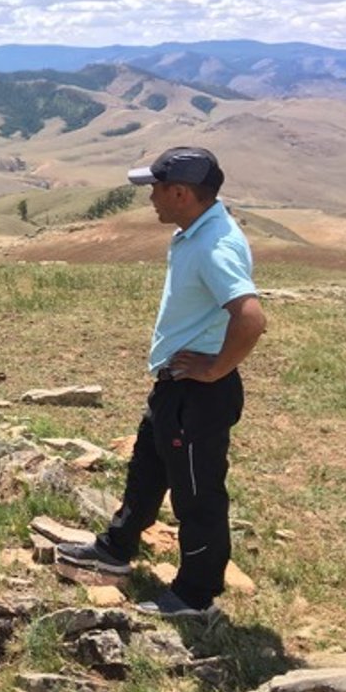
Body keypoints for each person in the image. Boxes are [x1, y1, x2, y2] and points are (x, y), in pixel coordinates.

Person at [55, 147, 266, 618]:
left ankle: (195, 594)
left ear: (180, 193)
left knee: (197, 494)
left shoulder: (214, 246)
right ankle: (116, 548)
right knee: (148, 468)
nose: (150, 197)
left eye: (155, 188)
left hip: (199, 393)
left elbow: (250, 317)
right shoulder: (196, 232)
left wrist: (215, 369)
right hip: (177, 384)